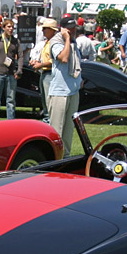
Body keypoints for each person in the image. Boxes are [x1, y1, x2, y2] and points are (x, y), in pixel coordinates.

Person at [46, 16, 82, 156]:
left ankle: (65, 157)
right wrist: (66, 39)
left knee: (68, 130)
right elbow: (64, 58)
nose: (73, 31)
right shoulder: (56, 41)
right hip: (59, 92)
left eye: (74, 28)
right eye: (70, 29)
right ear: (63, 29)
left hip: (73, 91)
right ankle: (53, 158)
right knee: (56, 130)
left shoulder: (74, 42)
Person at [31, 18, 57, 119]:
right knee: (44, 100)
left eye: (45, 28)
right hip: (45, 73)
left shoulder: (54, 43)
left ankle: (49, 120)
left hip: (50, 73)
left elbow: (55, 61)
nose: (43, 30)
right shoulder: (47, 42)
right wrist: (38, 63)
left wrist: (41, 65)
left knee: (49, 101)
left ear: (52, 30)